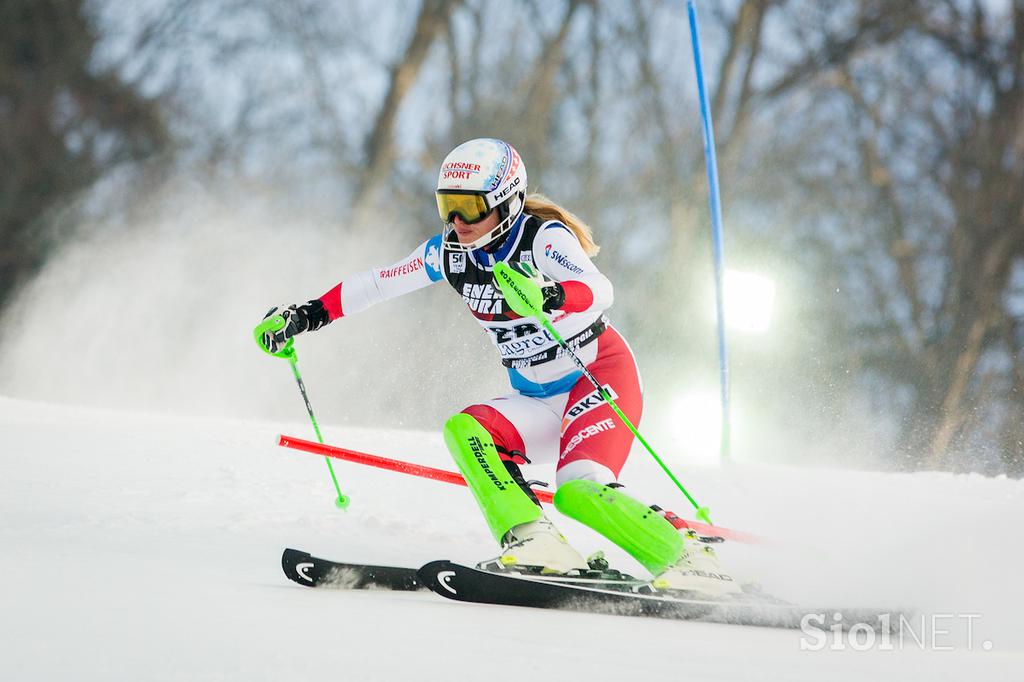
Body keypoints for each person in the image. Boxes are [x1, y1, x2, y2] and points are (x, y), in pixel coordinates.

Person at [256, 138, 739, 596]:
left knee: (579, 490)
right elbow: (376, 284)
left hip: (599, 379)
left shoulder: (541, 238)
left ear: (507, 204)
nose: (458, 220)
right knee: (466, 431)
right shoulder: (449, 252)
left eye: (471, 207)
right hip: (537, 397)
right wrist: (304, 316)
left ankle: (688, 559)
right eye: (448, 206)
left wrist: (549, 296)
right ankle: (538, 542)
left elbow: (599, 288)